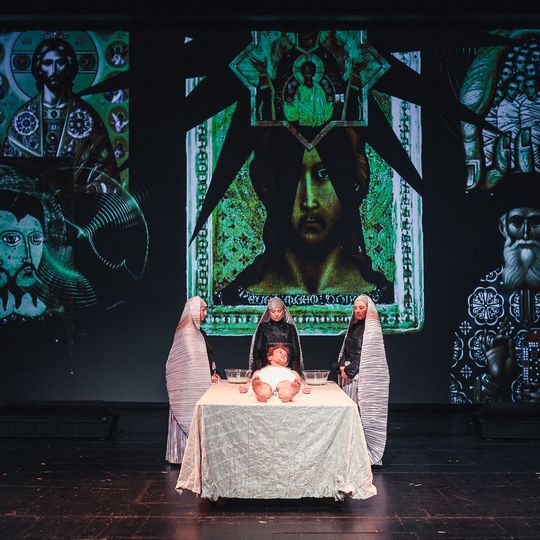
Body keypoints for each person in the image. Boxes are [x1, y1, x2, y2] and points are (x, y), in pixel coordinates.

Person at [215, 130, 393, 305]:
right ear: (268, 185)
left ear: (353, 184)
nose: (309, 201)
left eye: (324, 174)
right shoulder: (230, 301)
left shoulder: (386, 300)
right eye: (292, 176)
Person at [451, 173, 540, 404]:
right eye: (517, 222)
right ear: (503, 227)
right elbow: (460, 391)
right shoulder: (481, 297)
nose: (526, 234)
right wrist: (493, 378)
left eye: (536, 223)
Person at [1, 37, 119, 190]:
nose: (53, 70)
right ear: (39, 68)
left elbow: (107, 176)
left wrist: (79, 189)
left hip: (79, 202)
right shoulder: (23, 118)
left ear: (69, 67)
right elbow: (7, 174)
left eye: (60, 63)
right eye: (47, 63)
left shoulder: (87, 117)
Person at [336, 294, 389, 465]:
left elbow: (367, 355)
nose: (358, 311)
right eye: (355, 308)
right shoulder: (354, 327)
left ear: (368, 309)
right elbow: (346, 351)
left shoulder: (371, 330)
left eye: (361, 308)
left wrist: (349, 370)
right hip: (349, 375)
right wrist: (341, 366)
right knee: (351, 413)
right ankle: (351, 451)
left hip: (362, 375)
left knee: (363, 413)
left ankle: (366, 453)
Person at [165, 296, 217, 464]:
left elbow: (205, 357)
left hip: (199, 383)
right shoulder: (187, 333)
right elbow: (190, 362)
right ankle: (182, 455)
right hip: (187, 387)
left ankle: (195, 456)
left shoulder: (199, 332)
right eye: (202, 310)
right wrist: (206, 376)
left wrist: (212, 372)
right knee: (187, 416)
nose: (205, 313)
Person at [248, 297, 304, 374]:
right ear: (269, 312)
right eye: (273, 311)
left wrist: (295, 372)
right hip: (266, 370)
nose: (276, 314)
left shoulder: (290, 328)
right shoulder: (263, 327)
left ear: (283, 311)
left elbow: (295, 352)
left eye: (279, 311)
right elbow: (257, 350)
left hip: (286, 370)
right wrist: (259, 370)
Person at [240, 344, 311, 402]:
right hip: (265, 380)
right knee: (263, 385)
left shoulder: (292, 371)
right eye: (280, 352)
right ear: (270, 357)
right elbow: (252, 381)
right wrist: (247, 386)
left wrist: (304, 387)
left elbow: (300, 381)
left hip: (285, 380)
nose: (283, 355)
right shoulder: (261, 370)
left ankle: (287, 394)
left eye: (286, 355)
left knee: (286, 385)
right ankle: (262, 393)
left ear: (286, 363)